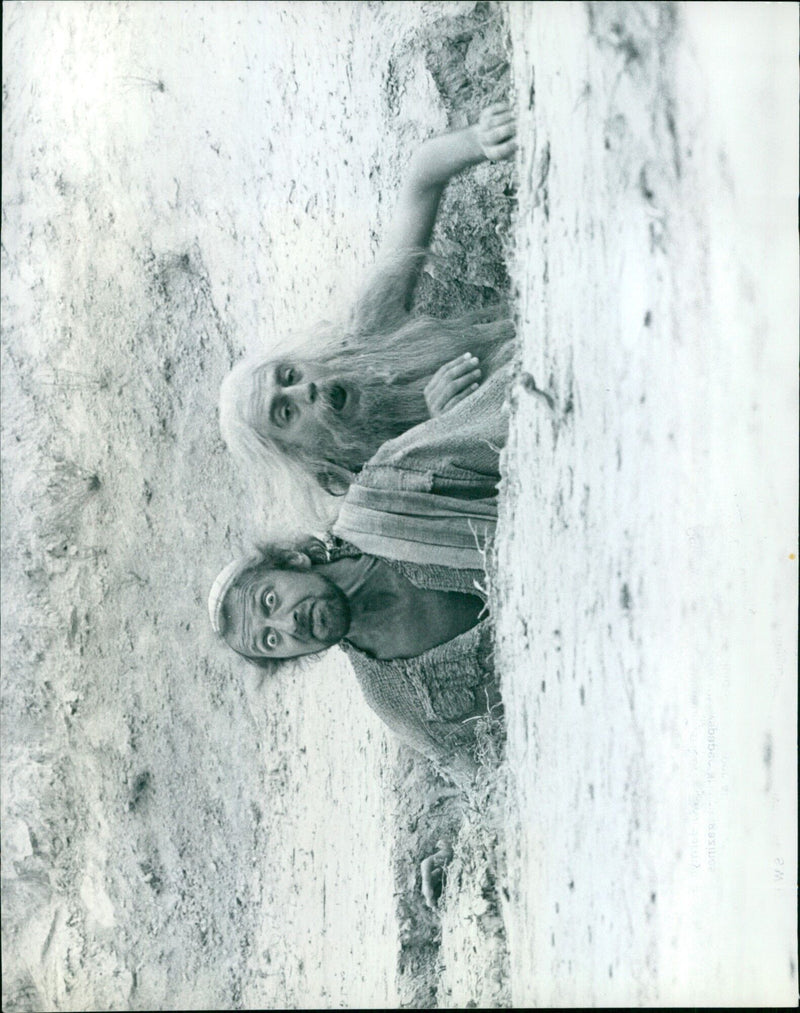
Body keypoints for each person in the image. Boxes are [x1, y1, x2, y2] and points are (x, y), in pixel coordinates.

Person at [219, 102, 517, 531]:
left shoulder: (367, 331)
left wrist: (478, 139)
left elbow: (421, 177)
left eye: (288, 375)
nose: (306, 389)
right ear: (300, 456)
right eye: (285, 413)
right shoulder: (366, 492)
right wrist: (435, 432)